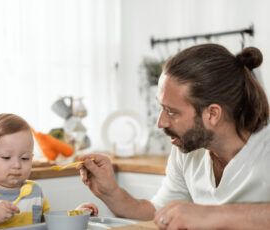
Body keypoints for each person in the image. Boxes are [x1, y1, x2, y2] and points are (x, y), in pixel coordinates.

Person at [79, 44, 270, 229]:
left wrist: (209, 214)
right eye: (161, 108)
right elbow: (158, 213)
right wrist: (111, 193)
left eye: (171, 112)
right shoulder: (187, 149)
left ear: (212, 114)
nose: (160, 123)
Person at [0, 113, 98, 229]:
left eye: (25, 158)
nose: (17, 165)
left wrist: (76, 214)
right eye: (6, 157)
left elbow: (50, 224)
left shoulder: (34, 191)